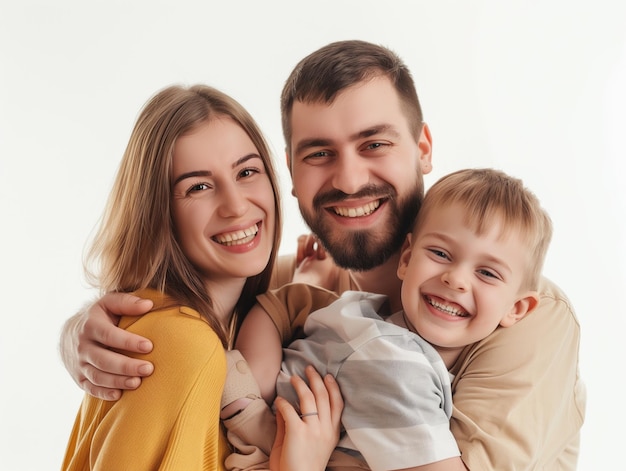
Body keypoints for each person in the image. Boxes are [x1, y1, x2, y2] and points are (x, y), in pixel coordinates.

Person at [59, 40, 585, 469]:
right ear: (289, 169)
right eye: (319, 154)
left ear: (423, 147)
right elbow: (186, 319)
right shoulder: (296, 285)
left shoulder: (524, 323)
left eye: (374, 144)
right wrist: (81, 331)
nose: (350, 179)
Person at [61, 84, 342, 471]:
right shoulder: (180, 344)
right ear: (157, 212)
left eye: (247, 171)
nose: (237, 204)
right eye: (199, 186)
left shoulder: (248, 314)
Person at [223, 168, 552, 471]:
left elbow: (279, 303)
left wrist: (247, 391)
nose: (457, 279)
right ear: (407, 258)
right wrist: (253, 404)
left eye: (487, 272)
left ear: (517, 309)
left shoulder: (362, 313)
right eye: (440, 254)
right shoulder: (397, 364)